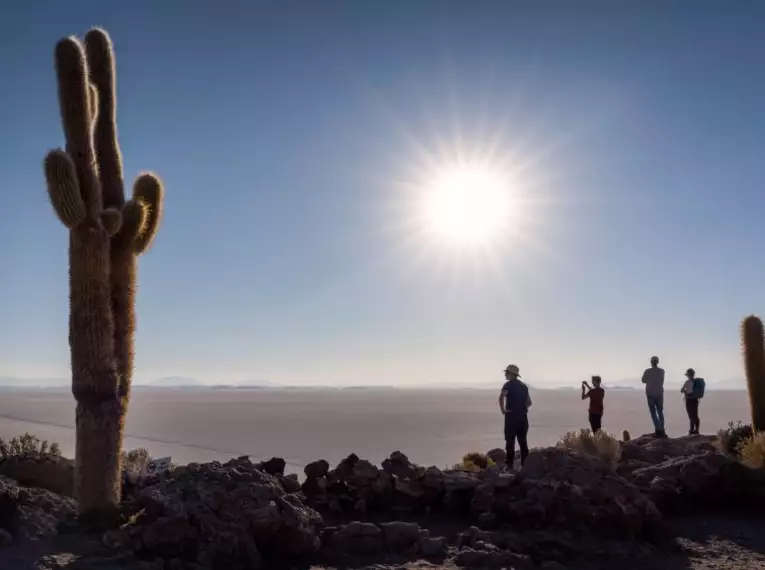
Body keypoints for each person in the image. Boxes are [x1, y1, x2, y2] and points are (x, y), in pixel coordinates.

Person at [498, 364, 532, 469]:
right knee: (523, 443)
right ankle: (525, 466)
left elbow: (501, 398)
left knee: (510, 442)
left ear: (511, 374)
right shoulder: (524, 386)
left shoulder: (507, 385)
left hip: (511, 417)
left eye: (506, 373)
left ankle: (509, 466)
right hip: (523, 418)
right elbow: (529, 403)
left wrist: (503, 410)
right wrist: (521, 408)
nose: (505, 375)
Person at [642, 356, 666, 437]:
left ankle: (658, 430)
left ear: (651, 362)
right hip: (659, 393)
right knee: (660, 412)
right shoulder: (662, 371)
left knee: (653, 413)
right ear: (657, 362)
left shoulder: (647, 371)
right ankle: (662, 429)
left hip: (650, 394)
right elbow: (662, 381)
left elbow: (643, 380)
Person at [680, 368, 705, 435]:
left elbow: (682, 390)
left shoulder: (688, 382)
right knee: (695, 415)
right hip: (695, 400)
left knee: (691, 416)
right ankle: (697, 430)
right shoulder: (697, 382)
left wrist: (685, 391)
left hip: (689, 400)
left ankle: (691, 430)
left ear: (688, 375)